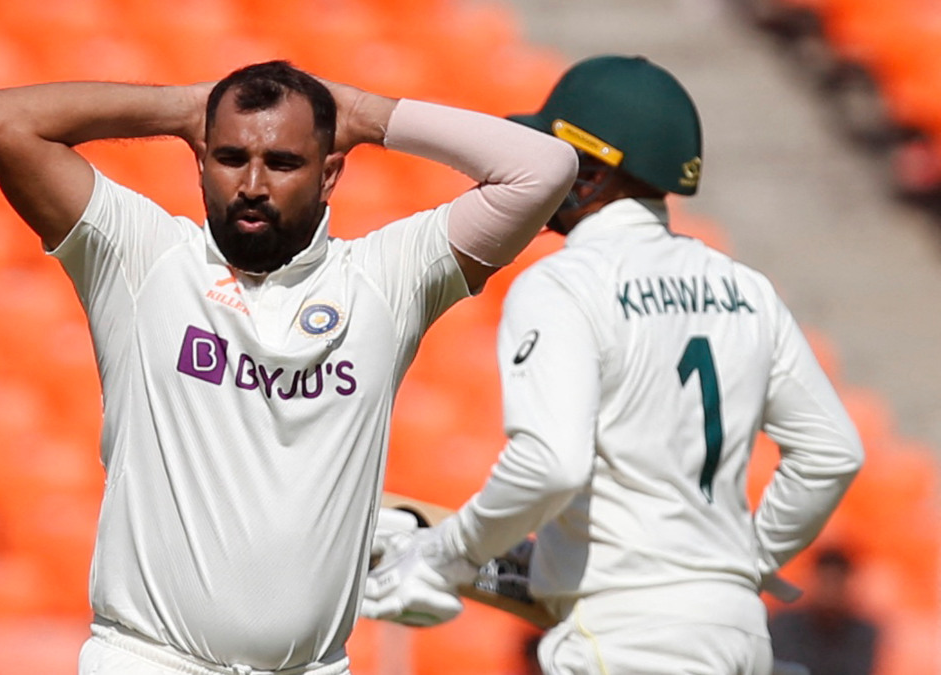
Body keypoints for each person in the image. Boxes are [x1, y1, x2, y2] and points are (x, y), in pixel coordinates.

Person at [0, 60, 576, 675]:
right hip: (151, 660)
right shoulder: (144, 258)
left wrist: (363, 114)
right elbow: (2, 119)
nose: (253, 184)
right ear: (200, 160)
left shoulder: (389, 280)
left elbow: (544, 168)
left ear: (329, 173)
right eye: (230, 158)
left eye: (283, 163)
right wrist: (187, 108)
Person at [362, 55, 864, 674]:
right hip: (738, 633)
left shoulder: (566, 282)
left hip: (627, 637)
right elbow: (832, 453)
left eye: (552, 159)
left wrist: (446, 554)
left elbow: (551, 464)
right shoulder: (746, 288)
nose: (533, 175)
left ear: (591, 176)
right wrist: (738, 567)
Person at [769, 547, 880, 675]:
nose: (829, 592)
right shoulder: (785, 626)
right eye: (825, 581)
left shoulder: (862, 633)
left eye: (835, 582)